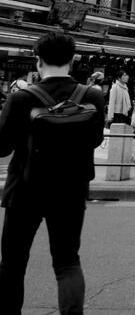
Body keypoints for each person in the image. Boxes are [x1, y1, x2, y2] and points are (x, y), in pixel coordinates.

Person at [0, 31, 105, 314]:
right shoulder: (93, 96)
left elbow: (2, 146)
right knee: (67, 261)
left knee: (13, 263)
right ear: (72, 60)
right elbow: (94, 140)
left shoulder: (21, 98)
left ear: (38, 61)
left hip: (25, 188)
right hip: (71, 189)